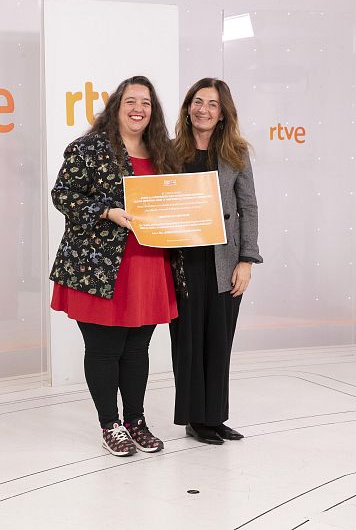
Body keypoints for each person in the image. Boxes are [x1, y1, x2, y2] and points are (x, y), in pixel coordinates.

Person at [50, 76, 181, 457]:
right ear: (117, 106)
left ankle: (135, 421)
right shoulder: (89, 148)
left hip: (149, 263)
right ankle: (110, 425)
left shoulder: (163, 153)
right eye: (130, 101)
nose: (138, 108)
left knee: (138, 349)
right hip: (100, 266)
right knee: (105, 349)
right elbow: (63, 195)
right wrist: (107, 211)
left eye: (146, 102)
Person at [169, 77, 262, 445]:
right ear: (188, 107)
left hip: (225, 262)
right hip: (183, 261)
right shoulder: (170, 150)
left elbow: (249, 207)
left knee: (219, 341)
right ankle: (195, 419)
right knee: (189, 341)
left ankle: (215, 417)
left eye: (211, 104)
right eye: (197, 101)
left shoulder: (236, 153)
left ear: (223, 114)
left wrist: (247, 260)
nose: (203, 109)